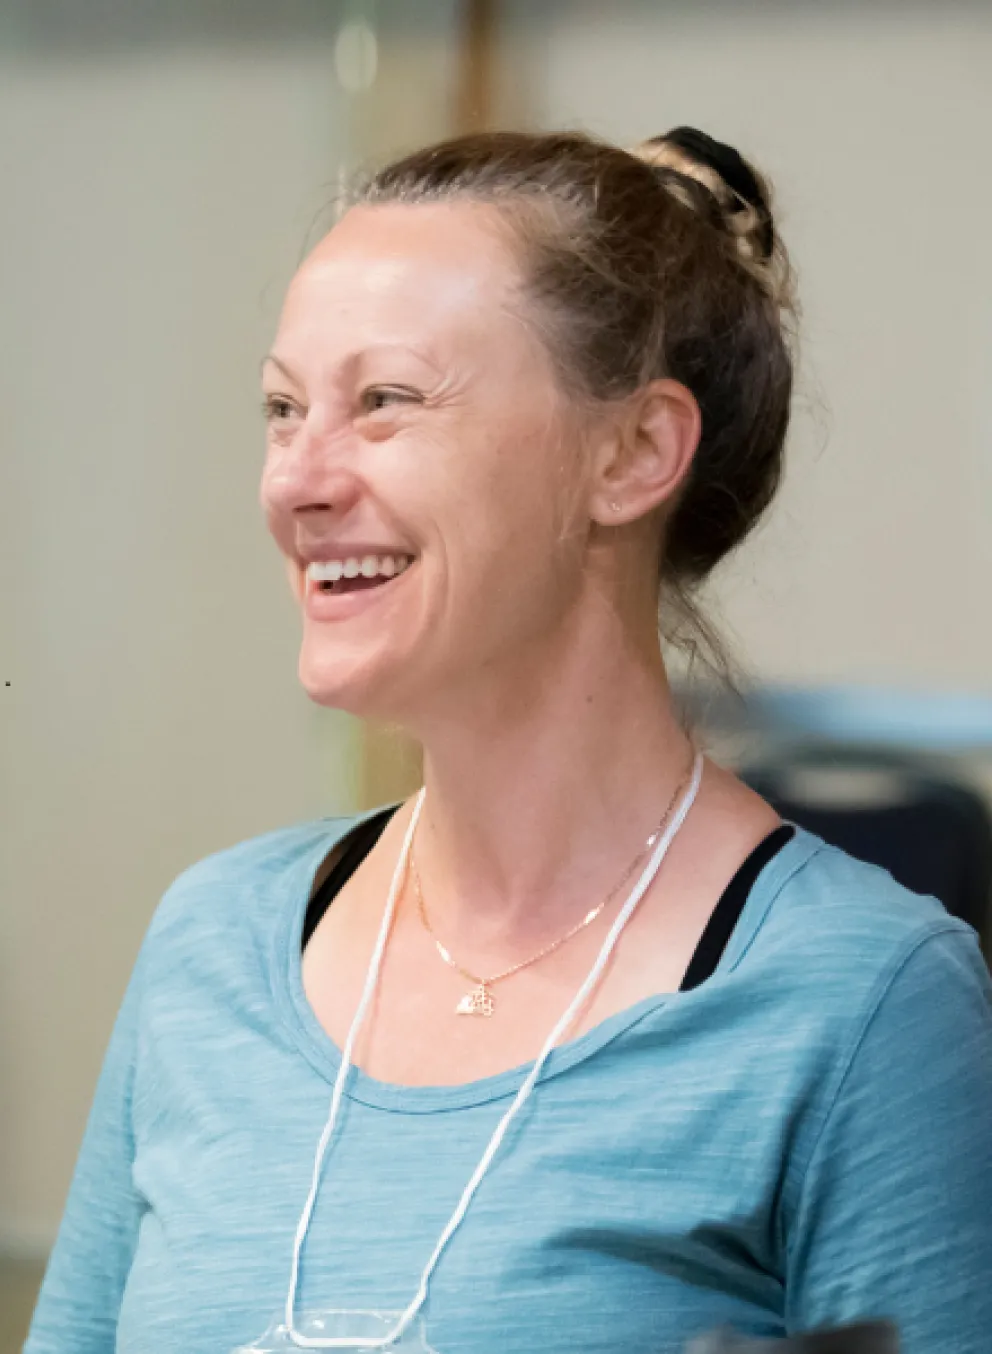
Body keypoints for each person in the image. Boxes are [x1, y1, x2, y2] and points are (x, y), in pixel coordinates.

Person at [25, 127, 992, 1354]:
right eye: (281, 409)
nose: (295, 481)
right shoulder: (206, 944)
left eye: (386, 401)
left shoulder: (864, 1002)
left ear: (633, 451)